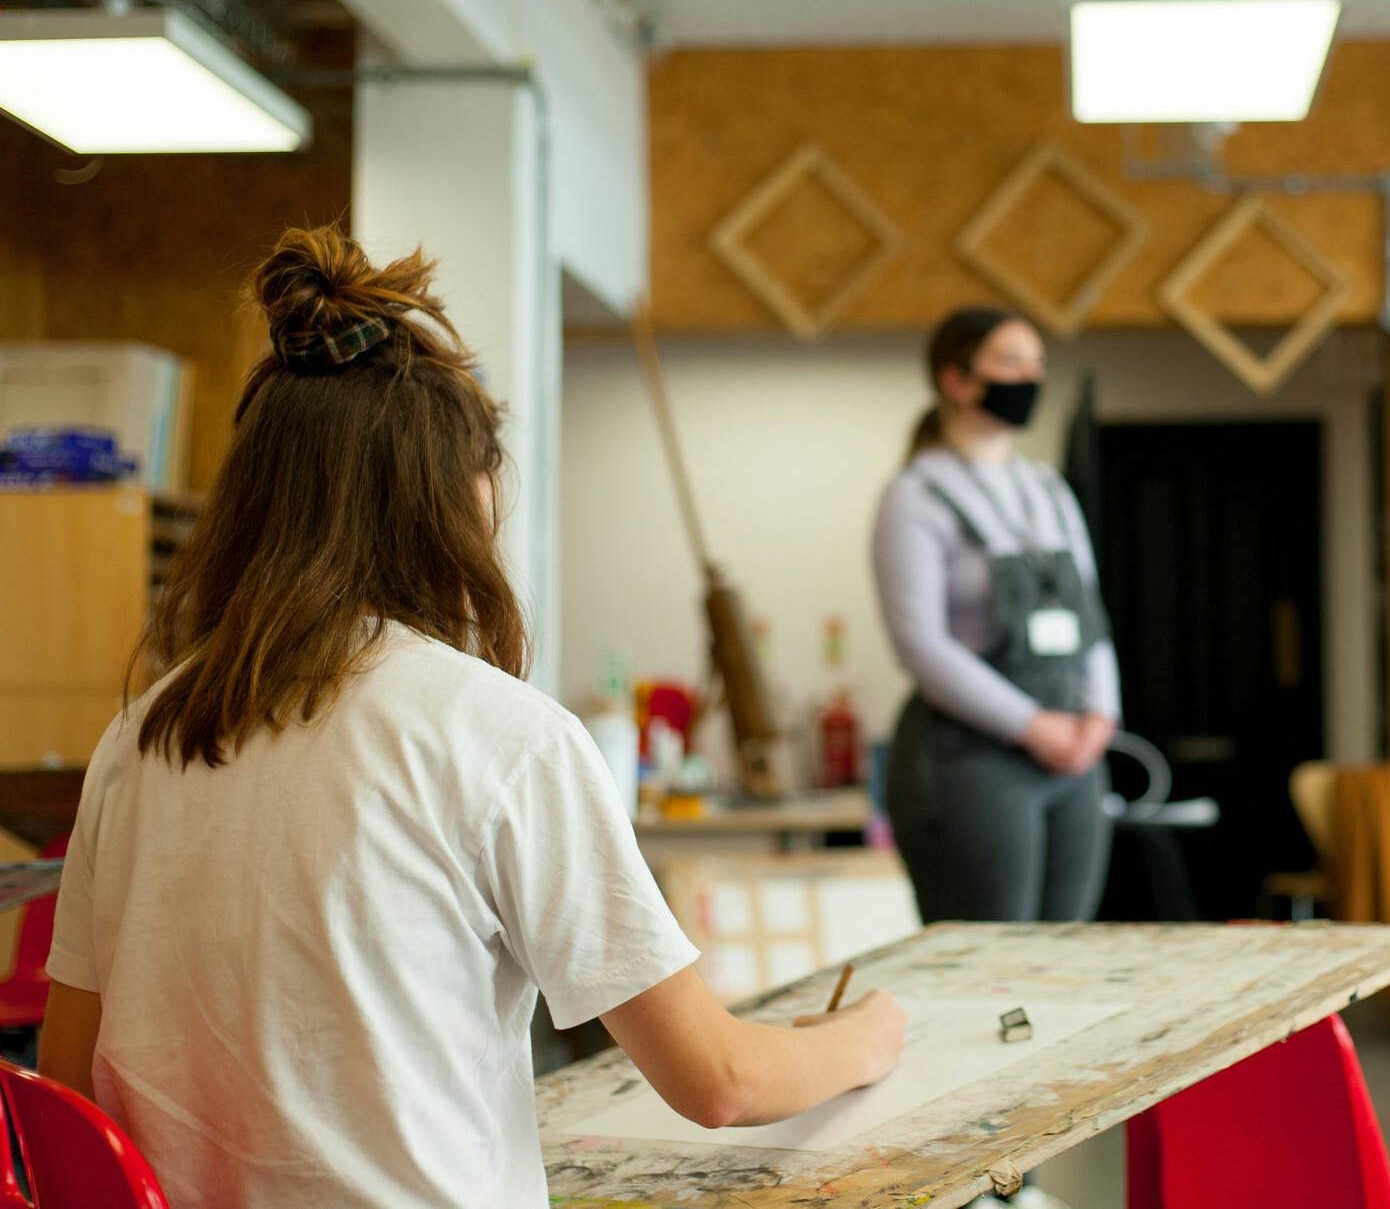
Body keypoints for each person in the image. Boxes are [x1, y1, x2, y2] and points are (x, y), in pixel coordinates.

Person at [38, 227, 904, 1208]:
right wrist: (861, 1039)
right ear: (456, 500)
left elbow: (68, 1089)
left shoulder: (143, 736)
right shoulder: (498, 736)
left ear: (254, 502)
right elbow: (720, 1081)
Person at [872, 308, 1121, 924]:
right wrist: (1034, 727)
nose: (1031, 376)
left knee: (1065, 955)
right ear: (956, 380)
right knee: (993, 958)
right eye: (1012, 362)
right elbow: (920, 646)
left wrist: (1101, 715)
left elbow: (1092, 617)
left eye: (1037, 363)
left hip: (1076, 757)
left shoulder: (1049, 490)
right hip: (973, 759)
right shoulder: (916, 495)